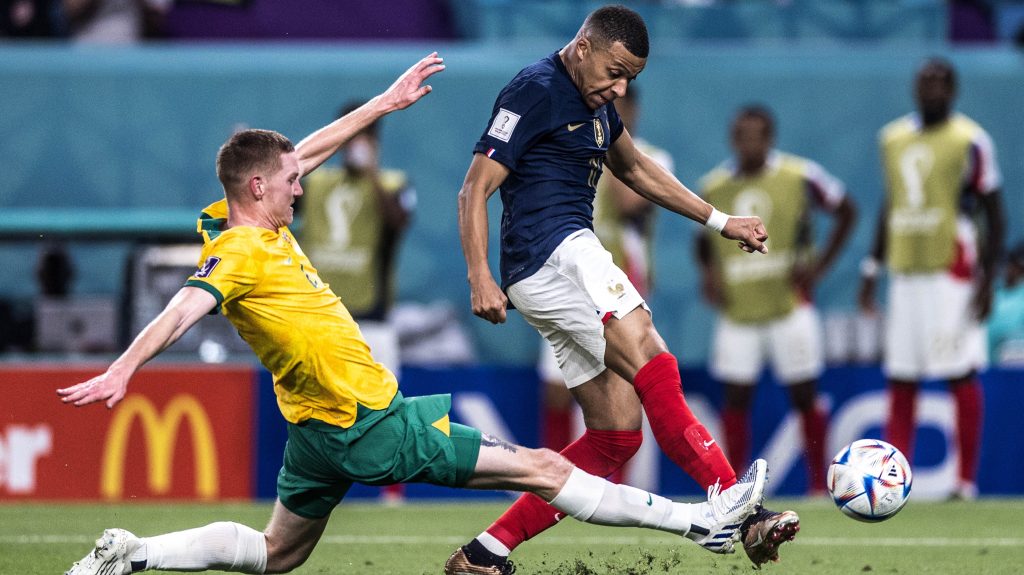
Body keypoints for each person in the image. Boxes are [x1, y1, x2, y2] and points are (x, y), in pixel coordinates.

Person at [57, 53, 770, 575]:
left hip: (315, 429)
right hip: (370, 422)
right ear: (258, 187)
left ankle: (135, 553)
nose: (302, 188)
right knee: (544, 468)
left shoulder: (237, 216)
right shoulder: (239, 252)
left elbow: (305, 151)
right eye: (291, 183)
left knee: (277, 553)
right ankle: (701, 522)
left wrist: (382, 104)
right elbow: (184, 305)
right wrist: (125, 367)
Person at [454, 5, 797, 573]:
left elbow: (634, 169)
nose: (619, 89)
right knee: (649, 351)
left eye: (629, 80)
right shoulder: (535, 88)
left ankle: (485, 551)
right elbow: (473, 188)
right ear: (583, 47)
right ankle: (737, 506)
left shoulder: (598, 104)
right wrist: (478, 274)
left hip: (546, 270)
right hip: (557, 251)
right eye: (615, 72)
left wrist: (721, 222)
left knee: (615, 435)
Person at [858, 57, 1005, 501]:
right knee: (902, 374)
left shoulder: (971, 140)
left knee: (958, 371)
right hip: (905, 268)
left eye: (941, 82)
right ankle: (893, 483)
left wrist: (987, 280)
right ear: (915, 88)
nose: (932, 89)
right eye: (926, 81)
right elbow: (892, 203)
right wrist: (872, 267)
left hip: (951, 268)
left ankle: (965, 481)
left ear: (954, 90)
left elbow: (995, 213)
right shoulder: (893, 138)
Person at [695, 105, 857, 495]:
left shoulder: (800, 176)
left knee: (804, 394)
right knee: (736, 397)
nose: (749, 144)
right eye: (742, 136)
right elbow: (701, 240)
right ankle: (735, 488)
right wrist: (709, 275)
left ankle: (818, 485)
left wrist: (819, 267)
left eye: (757, 135)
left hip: (790, 305)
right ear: (733, 139)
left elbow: (847, 210)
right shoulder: (714, 186)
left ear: (770, 138)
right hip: (738, 308)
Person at [538, 86, 672, 490]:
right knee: (556, 389)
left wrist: (608, 141)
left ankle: (614, 489)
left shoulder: (652, 157)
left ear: (633, 109)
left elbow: (631, 204)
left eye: (619, 105)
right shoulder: (572, 144)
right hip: (569, 279)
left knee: (621, 389)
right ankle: (554, 485)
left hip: (619, 282)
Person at [298, 99, 416, 505]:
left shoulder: (393, 183)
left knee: (385, 404)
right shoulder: (316, 184)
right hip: (323, 315)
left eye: (364, 136)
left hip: (373, 316)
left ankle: (392, 492)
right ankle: (320, 486)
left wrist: (372, 174)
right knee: (318, 405)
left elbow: (399, 222)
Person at [988, 242, 1024, 366]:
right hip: (989, 359)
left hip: (1014, 357)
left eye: (1019, 268)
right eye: (1013, 266)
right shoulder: (994, 290)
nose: (1013, 270)